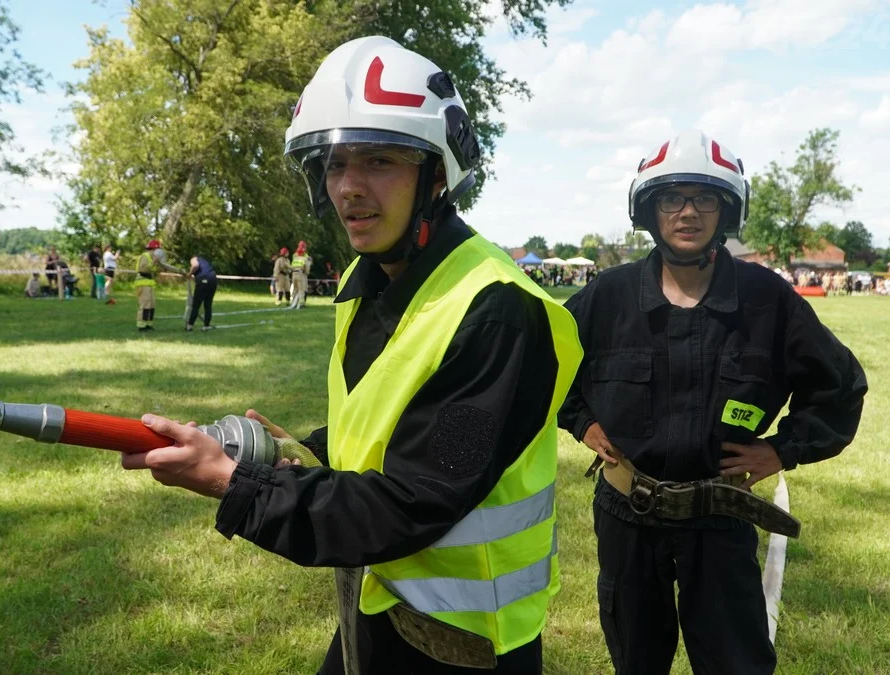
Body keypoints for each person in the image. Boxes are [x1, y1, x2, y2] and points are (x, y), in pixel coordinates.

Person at [116, 36, 583, 673]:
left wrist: (239, 486)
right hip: (378, 605)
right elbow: (393, 431)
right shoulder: (368, 282)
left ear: (437, 175)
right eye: (334, 165)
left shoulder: (497, 310)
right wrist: (306, 449)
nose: (349, 189)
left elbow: (414, 501)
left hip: (466, 644)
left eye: (380, 161)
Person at [558, 130, 868, 675]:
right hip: (627, 519)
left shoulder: (766, 300)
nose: (688, 212)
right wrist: (581, 421)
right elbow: (545, 363)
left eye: (705, 198)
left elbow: (841, 386)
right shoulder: (607, 297)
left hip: (721, 525)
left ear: (727, 211)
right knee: (635, 662)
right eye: (671, 197)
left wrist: (782, 450)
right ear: (649, 210)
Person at [134, 240, 178, 331]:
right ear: (153, 249)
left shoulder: (151, 257)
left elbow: (154, 270)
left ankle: (148, 324)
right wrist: (154, 262)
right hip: (143, 282)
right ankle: (141, 325)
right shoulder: (145, 256)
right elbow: (144, 269)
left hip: (149, 283)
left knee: (151, 304)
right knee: (145, 304)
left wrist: (158, 265)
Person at [186, 255, 218, 332]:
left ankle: (190, 326)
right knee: (208, 304)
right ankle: (206, 326)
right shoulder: (204, 262)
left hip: (204, 280)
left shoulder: (194, 259)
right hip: (213, 280)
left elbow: (195, 266)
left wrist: (189, 274)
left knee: (196, 304)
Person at [290, 240, 313, 308]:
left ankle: (294, 302)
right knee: (302, 289)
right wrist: (307, 272)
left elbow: (292, 265)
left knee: (295, 288)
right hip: (301, 274)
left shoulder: (295, 256)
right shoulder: (304, 257)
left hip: (294, 273)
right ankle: (301, 303)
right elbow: (307, 266)